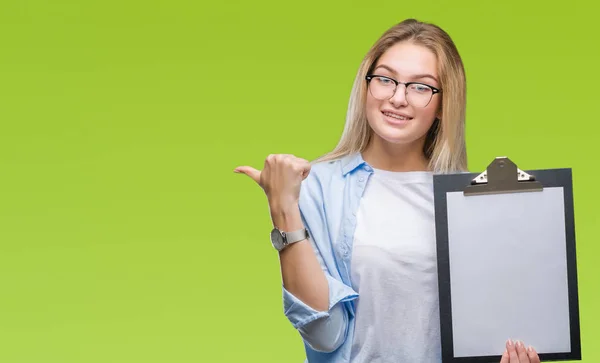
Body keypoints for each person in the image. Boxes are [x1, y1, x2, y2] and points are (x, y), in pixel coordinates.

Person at [235, 18, 541, 363]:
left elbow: (488, 323)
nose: (398, 98)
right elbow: (324, 333)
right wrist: (283, 208)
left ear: (443, 104)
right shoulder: (316, 187)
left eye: (421, 87)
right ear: (366, 86)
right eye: (385, 79)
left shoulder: (470, 200)